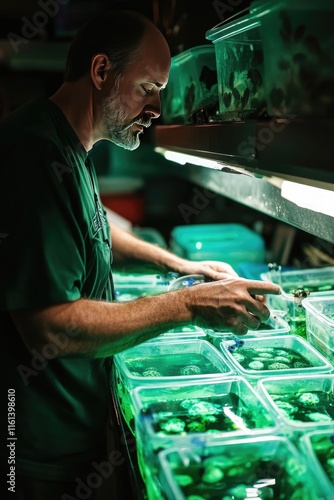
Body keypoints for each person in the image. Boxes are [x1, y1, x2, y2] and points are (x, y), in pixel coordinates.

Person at [0, 9, 281, 500]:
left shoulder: (66, 143)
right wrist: (189, 304)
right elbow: (50, 326)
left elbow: (91, 225)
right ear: (102, 71)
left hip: (65, 427)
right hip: (31, 443)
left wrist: (180, 265)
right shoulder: (35, 155)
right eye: (148, 88)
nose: (157, 108)